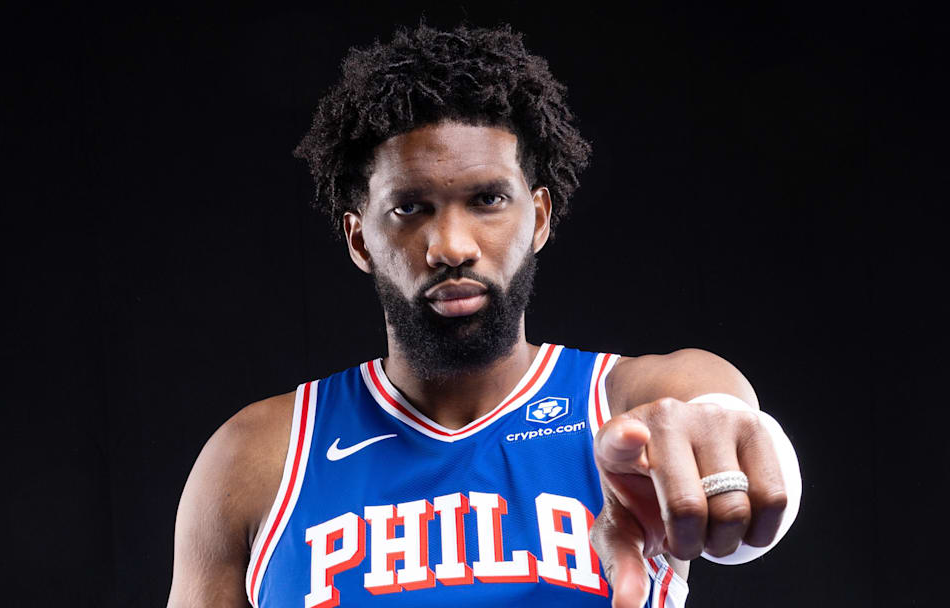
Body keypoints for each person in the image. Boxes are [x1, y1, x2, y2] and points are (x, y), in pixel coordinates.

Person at [167, 21, 800, 608]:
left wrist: (725, 451)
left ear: (540, 218)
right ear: (360, 240)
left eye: (488, 199)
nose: (451, 246)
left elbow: (728, 435)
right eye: (410, 208)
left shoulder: (630, 404)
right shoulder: (258, 455)